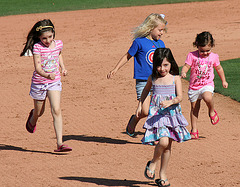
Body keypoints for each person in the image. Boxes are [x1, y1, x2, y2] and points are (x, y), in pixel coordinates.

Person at [107, 13, 168, 137]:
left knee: (157, 109)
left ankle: (152, 133)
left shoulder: (161, 44)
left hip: (158, 81)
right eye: (160, 30)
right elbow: (127, 56)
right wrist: (115, 69)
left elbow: (165, 62)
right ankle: (134, 120)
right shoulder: (139, 42)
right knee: (145, 111)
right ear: (151, 28)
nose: (162, 33)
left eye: (163, 30)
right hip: (143, 81)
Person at [138, 48, 191, 187]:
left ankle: (163, 175)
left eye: (166, 65)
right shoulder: (153, 78)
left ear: (171, 64)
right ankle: (153, 162)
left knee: (168, 147)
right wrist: (140, 105)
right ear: (155, 64)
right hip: (158, 115)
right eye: (159, 65)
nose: (162, 69)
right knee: (162, 142)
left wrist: (170, 102)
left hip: (172, 115)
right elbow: (145, 91)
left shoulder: (175, 78)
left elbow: (180, 97)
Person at [20, 19, 72, 152]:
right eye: (44, 38)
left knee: (56, 109)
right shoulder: (37, 47)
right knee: (40, 112)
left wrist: (63, 67)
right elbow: (37, 67)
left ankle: (60, 143)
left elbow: (58, 54)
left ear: (54, 33)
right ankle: (33, 116)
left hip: (54, 82)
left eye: (50, 37)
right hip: (39, 83)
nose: (48, 40)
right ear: (39, 37)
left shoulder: (59, 44)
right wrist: (47, 75)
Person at [181, 31, 228, 139]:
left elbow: (219, 68)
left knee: (208, 97)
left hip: (207, 84)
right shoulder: (192, 55)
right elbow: (186, 66)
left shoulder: (214, 57)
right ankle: (194, 130)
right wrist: (184, 71)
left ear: (212, 46)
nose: (205, 53)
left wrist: (223, 80)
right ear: (197, 45)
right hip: (194, 86)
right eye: (202, 51)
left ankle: (211, 111)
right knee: (194, 108)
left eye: (208, 50)